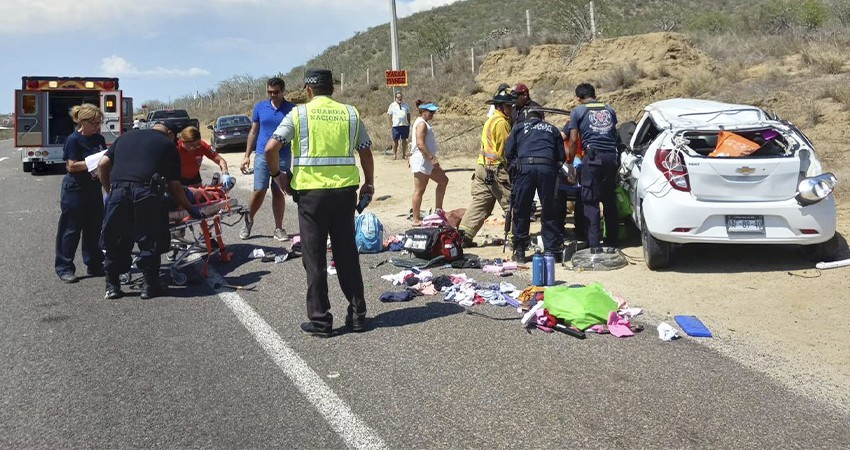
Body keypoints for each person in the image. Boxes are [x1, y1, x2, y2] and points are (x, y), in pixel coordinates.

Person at [265, 69, 375, 337]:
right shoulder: (350, 113)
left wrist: (277, 175)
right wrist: (368, 183)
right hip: (344, 193)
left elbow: (270, 148)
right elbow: (365, 151)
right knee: (346, 254)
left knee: (314, 257)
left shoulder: (299, 114)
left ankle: (321, 321)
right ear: (332, 89)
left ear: (308, 90)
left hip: (311, 196)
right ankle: (357, 316)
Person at [98, 122, 201, 300]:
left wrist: (110, 190)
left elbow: (102, 165)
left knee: (116, 238)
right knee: (150, 239)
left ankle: (112, 285)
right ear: (170, 133)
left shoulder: (125, 137)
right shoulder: (168, 145)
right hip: (146, 193)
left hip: (119, 192)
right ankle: (149, 286)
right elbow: (175, 187)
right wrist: (191, 209)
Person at [55, 103, 107, 283]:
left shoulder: (99, 139)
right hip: (75, 190)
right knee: (70, 230)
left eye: (99, 123)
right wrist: (93, 162)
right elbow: (71, 166)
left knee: (94, 228)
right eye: (94, 123)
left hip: (93, 189)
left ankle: (94, 263)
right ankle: (64, 267)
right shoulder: (73, 140)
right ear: (83, 122)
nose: (97, 127)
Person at [565, 83, 620, 254]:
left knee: (590, 201)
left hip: (593, 158)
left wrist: (570, 162)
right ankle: (613, 242)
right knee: (609, 200)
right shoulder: (609, 110)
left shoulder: (578, 111)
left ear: (579, 98)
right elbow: (614, 134)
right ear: (594, 95)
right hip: (611, 158)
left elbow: (573, 140)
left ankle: (594, 244)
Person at [505, 111, 565, 262]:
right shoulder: (552, 129)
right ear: (542, 118)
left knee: (521, 209)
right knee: (549, 210)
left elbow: (508, 152)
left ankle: (520, 251)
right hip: (547, 169)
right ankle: (551, 251)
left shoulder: (519, 127)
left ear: (527, 118)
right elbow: (561, 156)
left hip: (525, 169)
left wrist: (515, 166)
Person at [240, 77, 295, 242]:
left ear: (283, 91)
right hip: (262, 155)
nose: (272, 95)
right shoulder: (260, 107)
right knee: (259, 190)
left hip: (282, 155)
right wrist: (246, 155)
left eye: (276, 92)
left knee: (279, 191)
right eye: (269, 92)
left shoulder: (292, 109)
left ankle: (279, 228)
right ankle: (248, 221)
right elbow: (253, 132)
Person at [458, 90, 516, 247]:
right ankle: (515, 239)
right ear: (500, 107)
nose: (511, 109)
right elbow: (506, 150)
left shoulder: (491, 120)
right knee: (511, 203)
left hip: (482, 167)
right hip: (496, 169)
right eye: (508, 106)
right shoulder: (502, 123)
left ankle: (463, 236)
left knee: (480, 203)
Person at [409, 100, 448, 225]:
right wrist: (432, 158)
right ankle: (416, 219)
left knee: (443, 180)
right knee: (419, 190)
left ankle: (438, 211)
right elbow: (420, 144)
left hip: (426, 160)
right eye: (430, 112)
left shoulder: (423, 123)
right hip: (423, 160)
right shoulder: (422, 124)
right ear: (423, 111)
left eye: (433, 112)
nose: (432, 114)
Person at [387, 91, 411, 160]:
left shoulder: (406, 105)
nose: (400, 99)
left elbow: (408, 114)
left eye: (401, 97)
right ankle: (395, 155)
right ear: (396, 98)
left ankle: (404, 155)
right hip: (396, 126)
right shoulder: (392, 105)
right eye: (398, 97)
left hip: (404, 125)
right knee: (395, 141)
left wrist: (409, 123)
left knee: (404, 140)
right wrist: (391, 124)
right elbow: (389, 115)